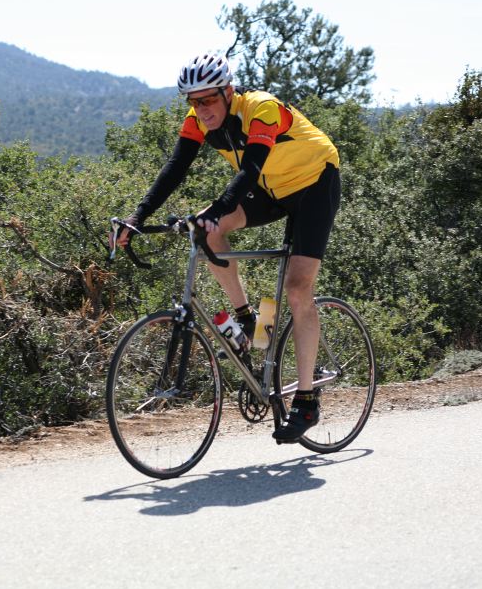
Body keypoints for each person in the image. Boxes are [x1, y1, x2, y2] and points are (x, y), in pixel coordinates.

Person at [113, 52, 341, 443]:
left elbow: (250, 167)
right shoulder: (197, 121)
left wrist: (218, 208)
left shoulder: (262, 110)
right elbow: (176, 166)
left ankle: (306, 399)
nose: (201, 110)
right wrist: (138, 215)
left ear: (228, 91)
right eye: (193, 101)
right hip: (270, 190)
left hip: (314, 184)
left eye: (208, 100)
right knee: (209, 233)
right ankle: (248, 318)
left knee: (297, 286)